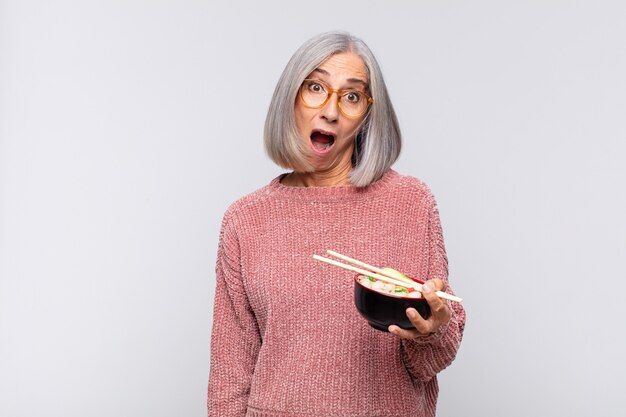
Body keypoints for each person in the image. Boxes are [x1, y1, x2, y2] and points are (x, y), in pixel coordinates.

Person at [208, 31, 466, 417]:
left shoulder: (411, 203)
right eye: (316, 87)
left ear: (367, 115)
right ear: (290, 97)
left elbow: (429, 363)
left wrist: (433, 333)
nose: (330, 111)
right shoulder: (246, 220)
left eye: (351, 96)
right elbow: (230, 375)